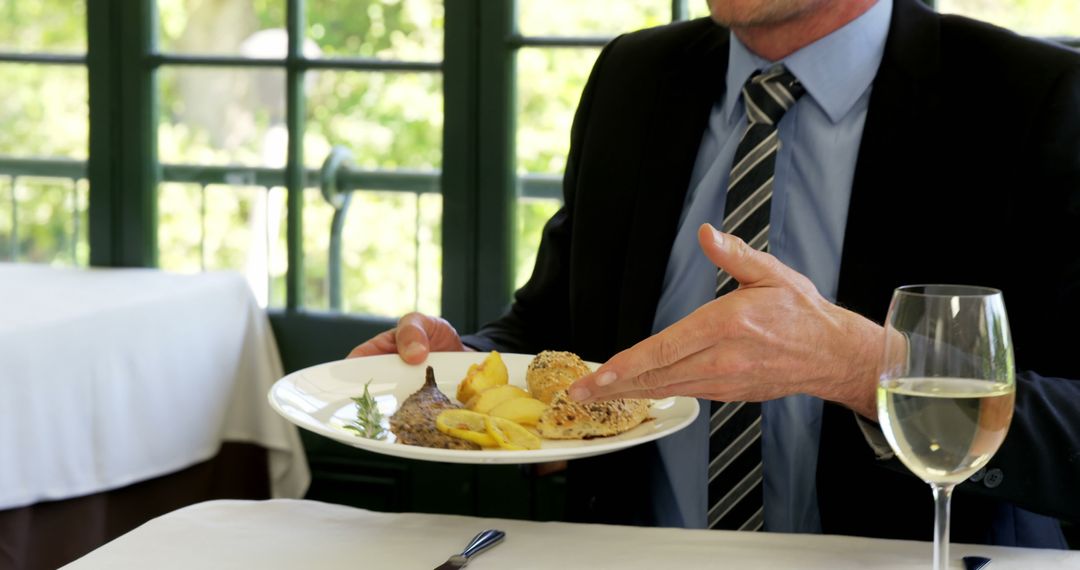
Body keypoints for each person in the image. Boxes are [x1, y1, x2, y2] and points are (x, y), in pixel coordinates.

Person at [351, 0, 1080, 548]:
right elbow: (551, 333)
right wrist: (462, 368)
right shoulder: (631, 79)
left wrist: (869, 369)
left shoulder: (1036, 98)